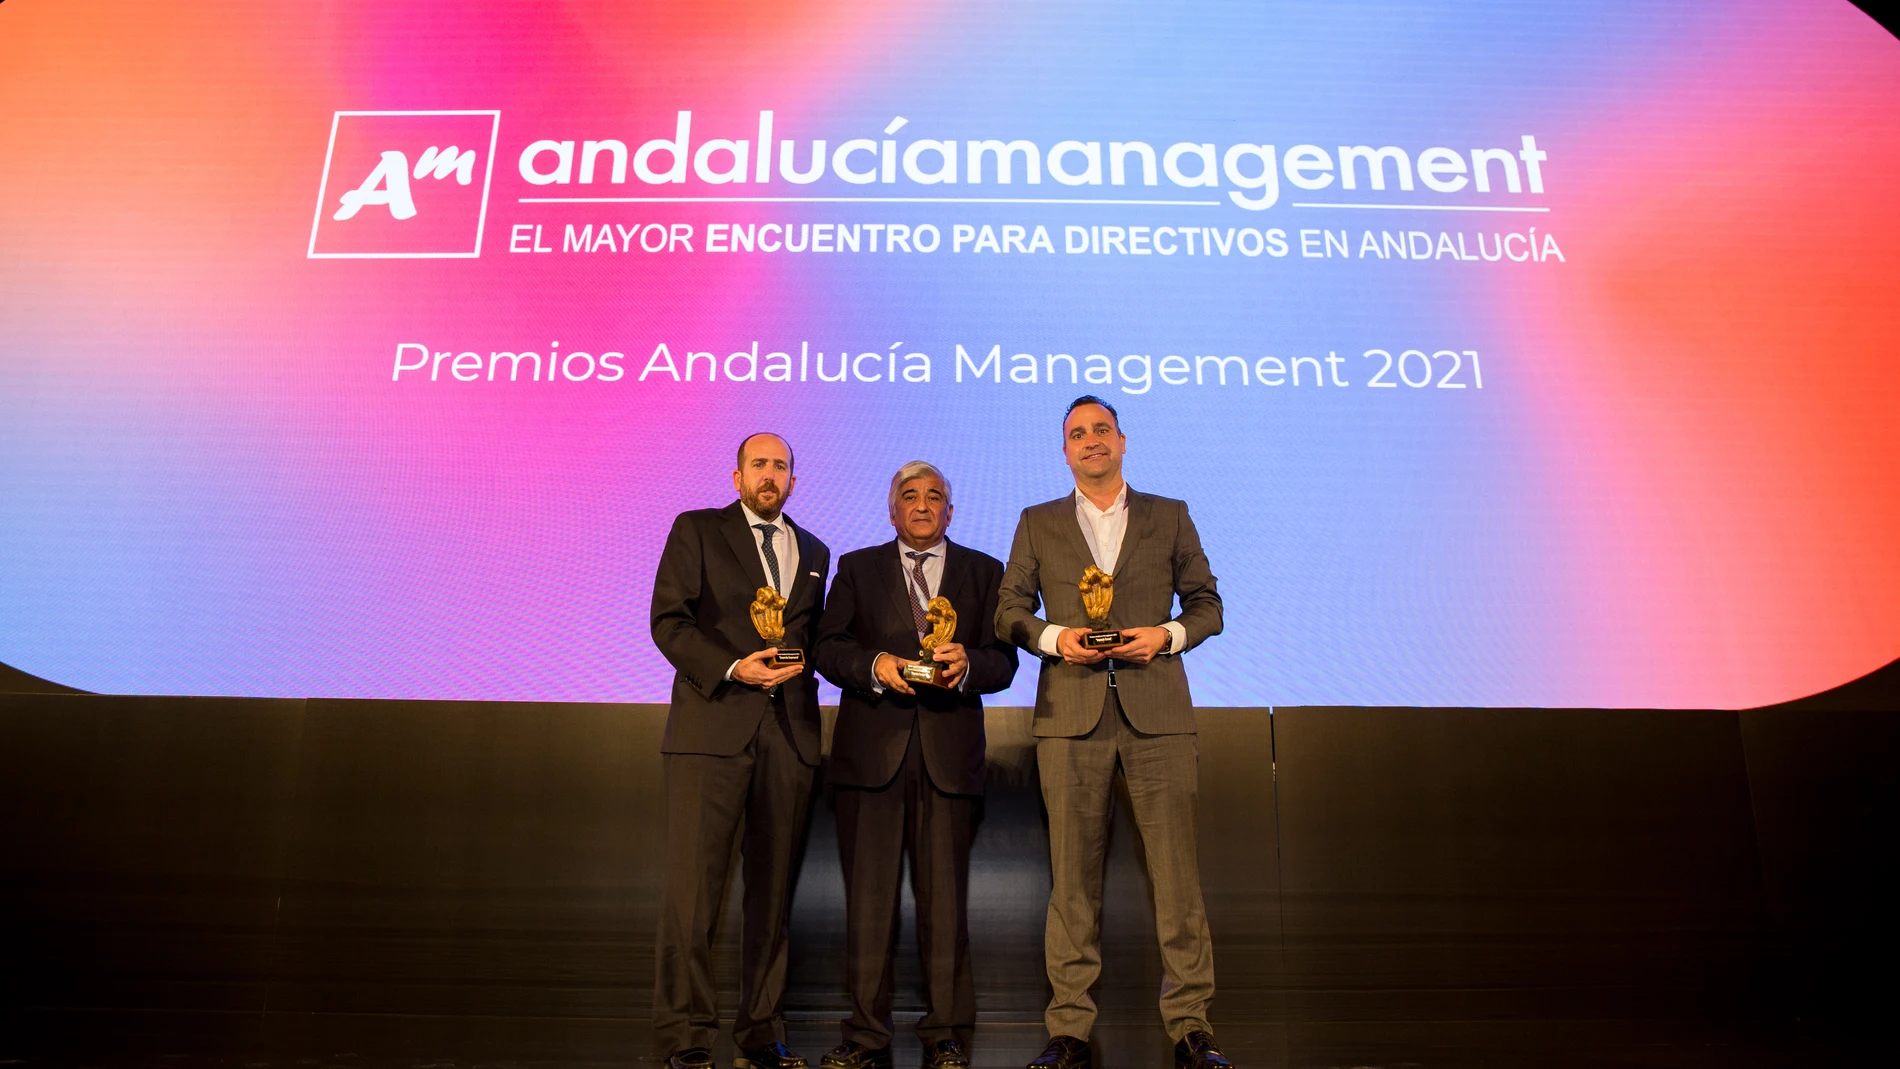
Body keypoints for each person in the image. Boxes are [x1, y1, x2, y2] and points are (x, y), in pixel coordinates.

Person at [995, 397, 1229, 1069]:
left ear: (1122, 441)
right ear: (1064, 451)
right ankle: (1069, 1028)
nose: (1091, 441)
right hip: (1070, 717)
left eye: (1102, 429)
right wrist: (1055, 637)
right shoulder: (1036, 522)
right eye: (1078, 433)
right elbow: (1009, 609)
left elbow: (1208, 604)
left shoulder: (1170, 514)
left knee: (1177, 878)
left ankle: (1191, 1025)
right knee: (1071, 880)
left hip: (1158, 714)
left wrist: (1167, 635)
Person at [815, 461, 1019, 1069]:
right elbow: (828, 647)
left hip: (949, 759)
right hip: (869, 760)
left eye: (936, 497)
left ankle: (947, 1032)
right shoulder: (856, 568)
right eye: (912, 496)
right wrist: (874, 666)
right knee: (868, 903)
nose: (924, 505)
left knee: (946, 903)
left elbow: (1003, 659)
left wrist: (968, 668)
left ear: (950, 513)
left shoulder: (985, 572)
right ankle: (865, 1034)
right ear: (893, 509)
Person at [649, 432, 830, 1069]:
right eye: (760, 464)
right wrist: (734, 668)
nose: (770, 475)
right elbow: (668, 621)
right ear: (737, 477)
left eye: (782, 465)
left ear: (793, 481)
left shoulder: (814, 550)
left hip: (789, 738)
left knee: (772, 895)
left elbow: (808, 638)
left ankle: (760, 1033)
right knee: (693, 896)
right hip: (711, 732)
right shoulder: (696, 529)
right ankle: (686, 1037)